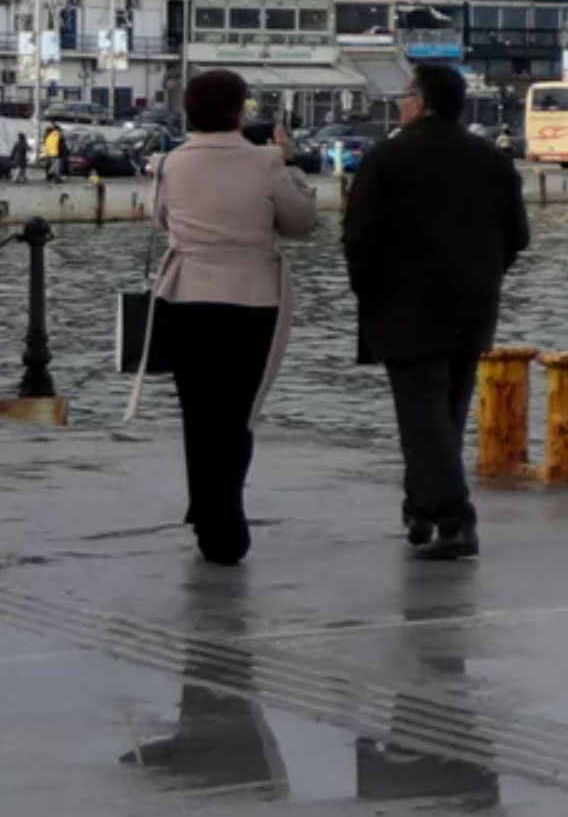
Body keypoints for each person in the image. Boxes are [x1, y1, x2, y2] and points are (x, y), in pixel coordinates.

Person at [344, 64, 529, 561]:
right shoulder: (493, 160)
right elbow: (518, 236)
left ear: (421, 102)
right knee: (445, 412)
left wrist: (370, 291)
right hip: (472, 305)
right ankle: (420, 509)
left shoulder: (388, 158)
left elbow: (359, 236)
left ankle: (453, 518)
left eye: (406, 95)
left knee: (422, 413)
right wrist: (486, 275)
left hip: (404, 306)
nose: (401, 103)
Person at [133, 70, 318, 566]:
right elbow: (300, 222)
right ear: (239, 111)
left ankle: (209, 514)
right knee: (238, 415)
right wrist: (291, 163)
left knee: (198, 414)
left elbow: (161, 221)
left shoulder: (172, 162)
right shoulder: (263, 163)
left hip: (187, 298)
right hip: (251, 301)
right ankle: (226, 515)